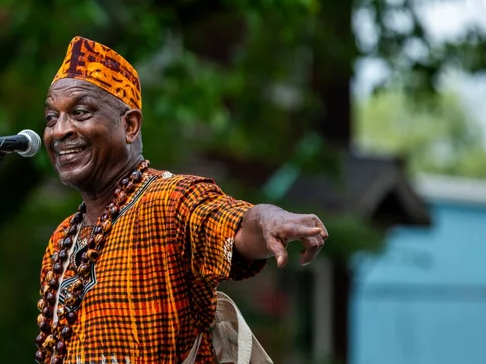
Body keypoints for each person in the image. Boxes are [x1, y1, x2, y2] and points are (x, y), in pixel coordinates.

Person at [35, 37, 328, 364]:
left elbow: (231, 225)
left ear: (129, 125)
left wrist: (268, 220)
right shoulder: (63, 240)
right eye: (51, 118)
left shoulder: (170, 200)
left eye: (79, 112)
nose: (59, 131)